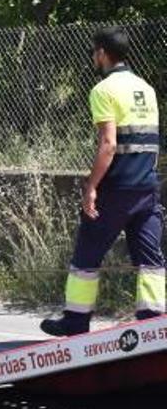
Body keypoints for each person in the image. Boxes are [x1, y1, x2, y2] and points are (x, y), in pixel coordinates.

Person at [40, 27, 165, 336]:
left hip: (117, 189)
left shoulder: (104, 90)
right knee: (150, 260)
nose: (94, 57)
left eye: (94, 52)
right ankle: (153, 323)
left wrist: (91, 187)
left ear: (102, 54)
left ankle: (75, 321)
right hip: (148, 188)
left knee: (87, 254)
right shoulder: (146, 88)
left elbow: (108, 144)